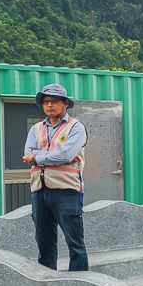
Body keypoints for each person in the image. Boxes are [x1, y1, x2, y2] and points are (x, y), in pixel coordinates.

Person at [23, 83, 89, 272]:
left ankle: (79, 285)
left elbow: (65, 155)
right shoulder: (35, 128)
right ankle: (46, 283)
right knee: (44, 242)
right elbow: (27, 154)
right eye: (46, 102)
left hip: (66, 190)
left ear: (65, 103)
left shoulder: (76, 127)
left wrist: (37, 158)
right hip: (39, 190)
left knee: (74, 241)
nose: (49, 105)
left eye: (54, 101)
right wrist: (46, 157)